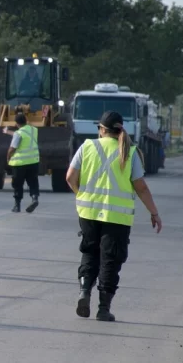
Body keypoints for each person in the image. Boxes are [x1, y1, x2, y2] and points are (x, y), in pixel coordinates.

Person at [66, 111, 162, 322]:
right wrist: (154, 213)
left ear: (101, 129)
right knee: (110, 260)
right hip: (117, 218)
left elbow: (70, 177)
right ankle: (103, 308)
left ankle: (84, 292)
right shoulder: (130, 152)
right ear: (120, 130)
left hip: (88, 213)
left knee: (89, 253)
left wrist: (81, 195)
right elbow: (141, 187)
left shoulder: (87, 146)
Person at [4, 113, 40, 213]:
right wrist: (8, 132)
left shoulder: (18, 134)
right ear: (26, 120)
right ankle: (34, 198)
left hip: (19, 163)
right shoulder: (34, 130)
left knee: (17, 184)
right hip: (33, 162)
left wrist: (8, 157)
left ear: (16, 123)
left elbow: (12, 148)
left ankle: (17, 205)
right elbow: (22, 134)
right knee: (33, 182)